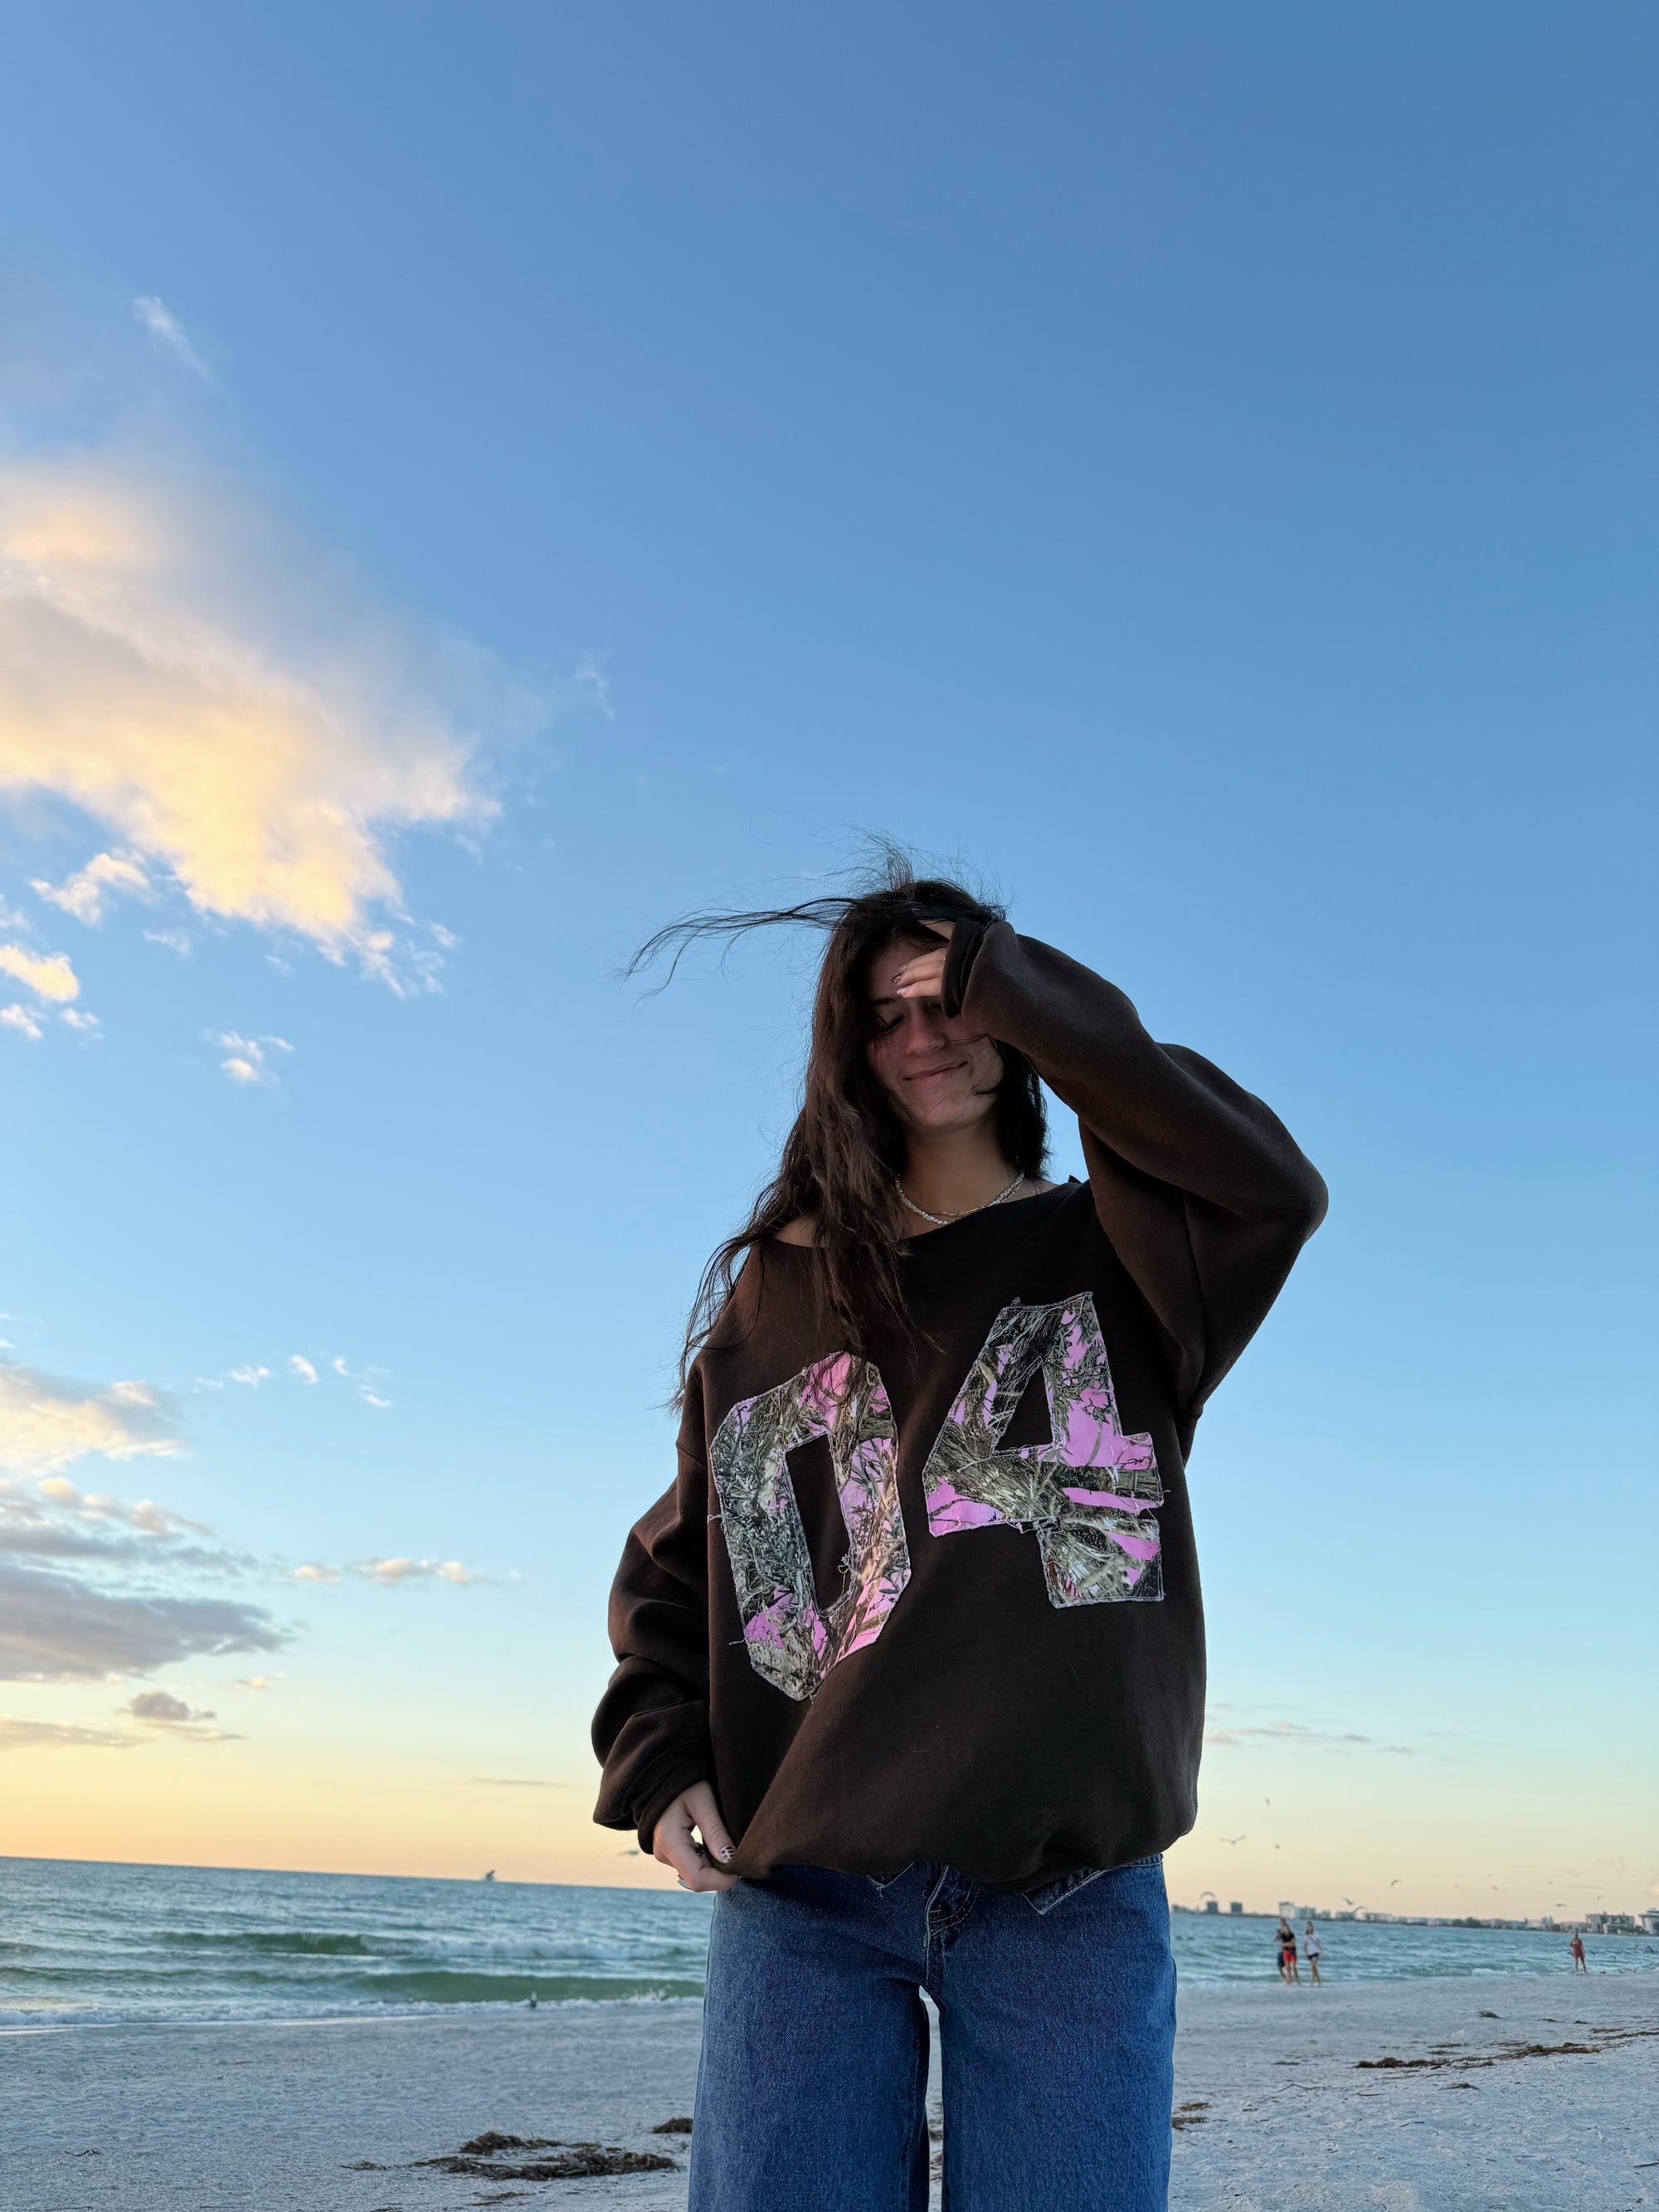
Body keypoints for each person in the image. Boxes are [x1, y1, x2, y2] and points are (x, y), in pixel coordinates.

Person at [592, 858, 1327, 2212]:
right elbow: (689, 1548)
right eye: (885, 1014)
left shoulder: (1132, 1247)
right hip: (804, 1883)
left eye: (952, 999)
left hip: (1070, 1883)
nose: (924, 1034)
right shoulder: (777, 1291)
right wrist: (658, 1749)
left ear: (1015, 1014)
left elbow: (1271, 1184)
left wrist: (1019, 982)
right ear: (848, 1052)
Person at [1277, 1914, 1299, 1984]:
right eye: (1283, 1927)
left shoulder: (1291, 1934)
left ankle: (1297, 1981)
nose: (1284, 1929)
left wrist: (1287, 1944)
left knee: (1293, 1967)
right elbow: (1282, 1944)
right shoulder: (1281, 1935)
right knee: (1287, 1968)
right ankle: (1289, 1982)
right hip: (1285, 1951)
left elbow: (1293, 1944)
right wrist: (1289, 1943)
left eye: (1285, 1927)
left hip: (1292, 1951)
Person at [1303, 1918, 1322, 1984]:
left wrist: (1321, 1953)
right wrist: (1306, 1954)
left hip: (1316, 1952)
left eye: (1310, 1926)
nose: (1309, 1927)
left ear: (1312, 1927)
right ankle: (1319, 1980)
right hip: (1310, 1953)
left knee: (1313, 1966)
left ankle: (1312, 1982)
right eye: (1307, 1926)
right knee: (1314, 1968)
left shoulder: (1315, 1934)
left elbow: (1319, 1943)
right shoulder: (1305, 1935)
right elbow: (1305, 1946)